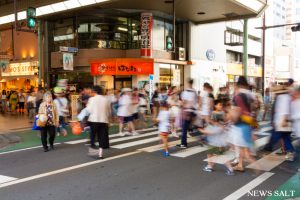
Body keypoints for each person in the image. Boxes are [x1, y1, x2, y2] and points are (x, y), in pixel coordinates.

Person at [201, 100, 234, 176]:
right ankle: (210, 166)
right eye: (219, 105)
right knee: (211, 153)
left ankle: (229, 168)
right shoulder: (221, 116)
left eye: (221, 105)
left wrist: (204, 130)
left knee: (219, 154)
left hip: (215, 140)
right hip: (218, 139)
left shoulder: (216, 117)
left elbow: (213, 128)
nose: (220, 106)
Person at [86, 86, 111, 159]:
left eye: (91, 92)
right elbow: (108, 111)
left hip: (94, 120)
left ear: (94, 92)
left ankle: (93, 152)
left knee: (93, 136)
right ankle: (100, 154)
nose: (91, 93)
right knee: (102, 137)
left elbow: (89, 110)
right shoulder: (106, 99)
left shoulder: (92, 99)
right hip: (103, 120)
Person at [177, 79, 197, 148]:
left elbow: (183, 102)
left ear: (188, 83)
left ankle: (183, 143)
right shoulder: (194, 91)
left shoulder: (186, 92)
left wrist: (181, 105)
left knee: (184, 128)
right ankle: (184, 142)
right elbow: (195, 101)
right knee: (188, 127)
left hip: (186, 111)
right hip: (193, 111)